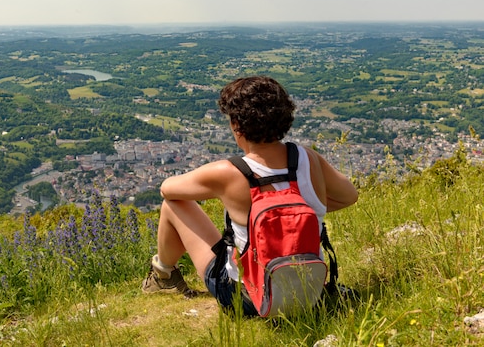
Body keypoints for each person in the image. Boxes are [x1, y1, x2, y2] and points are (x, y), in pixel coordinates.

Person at [141, 76, 359, 316]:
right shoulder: (307, 159)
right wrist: (299, 211)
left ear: (238, 125)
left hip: (246, 299)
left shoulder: (229, 172)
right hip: (309, 292)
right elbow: (349, 196)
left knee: (172, 205)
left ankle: (164, 274)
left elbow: (167, 189)